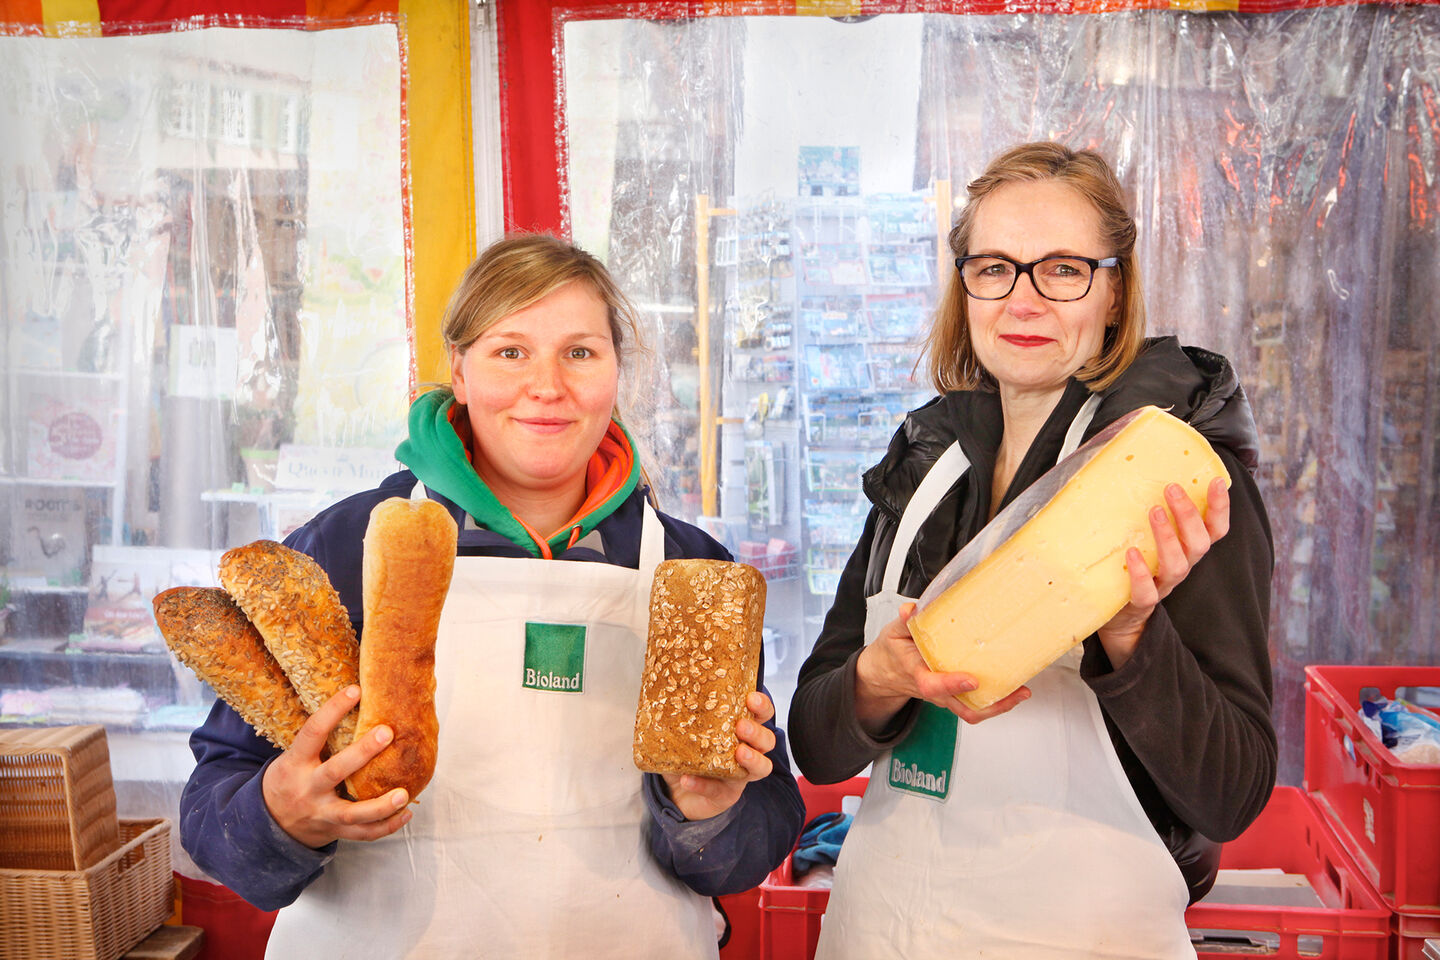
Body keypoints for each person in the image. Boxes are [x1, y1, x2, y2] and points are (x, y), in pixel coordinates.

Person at [180, 233, 805, 958]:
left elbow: (756, 835)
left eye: (580, 352)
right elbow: (213, 805)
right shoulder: (347, 549)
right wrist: (278, 815)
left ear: (616, 370)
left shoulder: (693, 574)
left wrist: (708, 816)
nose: (547, 386)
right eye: (511, 352)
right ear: (460, 370)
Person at [787, 142, 1276, 958]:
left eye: (1062, 270)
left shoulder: (1170, 479)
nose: (1023, 299)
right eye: (994, 268)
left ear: (1114, 292)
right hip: (882, 934)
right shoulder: (925, 466)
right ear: (965, 286)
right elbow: (816, 741)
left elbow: (1232, 792)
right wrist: (879, 679)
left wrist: (1130, 633)